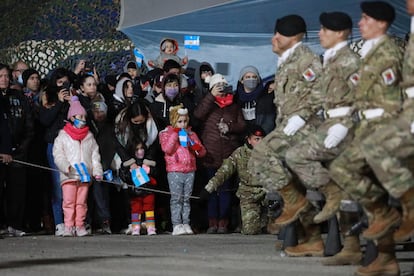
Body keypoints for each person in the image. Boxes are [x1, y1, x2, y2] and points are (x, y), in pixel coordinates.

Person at [328, 2, 403, 275]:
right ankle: (359, 248)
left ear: (381, 23)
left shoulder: (390, 52)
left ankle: (384, 253)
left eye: (366, 18)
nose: (360, 23)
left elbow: (391, 99)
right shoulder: (366, 51)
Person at [283, 12, 361, 260]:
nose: (320, 33)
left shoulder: (350, 61)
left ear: (340, 33)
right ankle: (334, 241)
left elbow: (363, 98)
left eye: (325, 30)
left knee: (344, 186)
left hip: (346, 130)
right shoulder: (328, 60)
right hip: (327, 128)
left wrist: (345, 124)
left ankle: (351, 244)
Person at [247, 14, 323, 254]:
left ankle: (298, 207)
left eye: (278, 34)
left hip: (304, 129)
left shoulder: (306, 59)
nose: (274, 38)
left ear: (292, 37)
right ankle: (309, 237)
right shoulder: (285, 60)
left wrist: (299, 119)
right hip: (286, 128)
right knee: (295, 183)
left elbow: (320, 91)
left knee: (260, 157)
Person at [194, 73, 246, 234]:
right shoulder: (207, 104)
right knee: (211, 190)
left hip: (228, 155)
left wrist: (230, 128)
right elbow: (197, 115)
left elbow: (243, 125)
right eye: (218, 86)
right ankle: (212, 222)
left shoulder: (234, 106)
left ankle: (223, 222)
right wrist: (211, 96)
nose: (221, 90)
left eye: (223, 86)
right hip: (210, 154)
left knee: (225, 191)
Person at [200, 125, 266, 235]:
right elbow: (224, 172)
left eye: (263, 139)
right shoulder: (239, 153)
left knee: (280, 227)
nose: (261, 142)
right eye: (257, 139)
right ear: (249, 140)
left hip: (268, 193)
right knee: (251, 231)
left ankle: (267, 219)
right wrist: (208, 189)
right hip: (249, 195)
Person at [53, 96, 103, 237]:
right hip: (69, 175)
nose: (82, 119)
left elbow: (95, 155)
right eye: (79, 116)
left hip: (85, 175)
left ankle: (80, 225)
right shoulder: (62, 136)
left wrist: (97, 171)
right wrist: (66, 167)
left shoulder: (89, 136)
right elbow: (58, 154)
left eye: (84, 116)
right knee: (68, 201)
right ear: (71, 117)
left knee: (81, 202)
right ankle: (68, 226)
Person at [159, 104, 206, 235]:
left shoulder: (191, 133)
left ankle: (186, 223)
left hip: (190, 170)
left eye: (185, 121)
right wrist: (175, 135)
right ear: (174, 121)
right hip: (175, 170)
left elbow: (202, 152)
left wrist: (193, 145)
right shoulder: (166, 133)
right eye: (180, 121)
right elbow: (167, 149)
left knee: (186, 198)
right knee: (176, 198)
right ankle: (176, 224)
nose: (183, 124)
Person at [0, 63, 34, 237]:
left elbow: (29, 125)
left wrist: (20, 150)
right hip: (1, 154)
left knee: (18, 190)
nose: (4, 79)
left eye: (6, 76)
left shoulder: (19, 97)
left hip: (18, 153)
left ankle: (16, 224)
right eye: (0, 76)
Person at [38, 67, 73, 236]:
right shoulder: (48, 96)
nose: (63, 86)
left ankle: (72, 221)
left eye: (65, 82)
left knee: (72, 183)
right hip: (54, 145)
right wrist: (59, 102)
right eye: (60, 83)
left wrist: (72, 101)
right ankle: (59, 221)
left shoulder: (73, 97)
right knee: (57, 185)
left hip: (72, 146)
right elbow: (45, 120)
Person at [121, 138, 158, 236]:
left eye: (142, 148)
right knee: (136, 209)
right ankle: (135, 227)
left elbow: (157, 173)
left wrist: (150, 171)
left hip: (148, 191)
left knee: (149, 208)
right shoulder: (129, 163)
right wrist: (130, 173)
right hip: (135, 192)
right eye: (137, 149)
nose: (140, 151)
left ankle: (150, 227)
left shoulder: (148, 162)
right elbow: (123, 176)